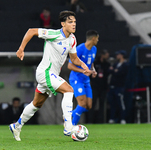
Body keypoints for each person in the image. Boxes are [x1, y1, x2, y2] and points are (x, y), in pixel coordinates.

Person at [9, 10, 91, 141]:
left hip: (51, 75)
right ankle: (68, 126)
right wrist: (21, 49)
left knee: (37, 104)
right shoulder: (54, 34)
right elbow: (31, 31)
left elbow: (74, 59)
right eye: (70, 22)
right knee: (69, 91)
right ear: (63, 24)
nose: (74, 24)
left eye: (75, 22)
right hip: (45, 72)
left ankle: (17, 125)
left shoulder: (72, 39)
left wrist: (83, 65)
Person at [68, 30, 99, 125]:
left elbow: (90, 61)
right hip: (77, 79)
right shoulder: (80, 49)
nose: (98, 40)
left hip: (86, 80)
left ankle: (69, 115)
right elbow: (70, 66)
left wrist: (93, 70)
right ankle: (71, 127)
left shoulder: (94, 49)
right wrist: (83, 71)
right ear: (93, 38)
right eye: (97, 38)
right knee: (81, 104)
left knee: (88, 106)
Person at [87, 49, 110, 123]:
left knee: (102, 104)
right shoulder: (95, 63)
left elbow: (107, 74)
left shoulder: (107, 64)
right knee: (92, 104)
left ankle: (101, 121)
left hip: (103, 87)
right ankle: (90, 120)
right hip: (95, 87)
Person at [108, 50, 129, 124]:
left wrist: (115, 71)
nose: (117, 56)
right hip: (113, 86)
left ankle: (123, 118)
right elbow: (111, 71)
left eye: (118, 55)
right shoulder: (116, 64)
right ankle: (112, 118)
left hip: (120, 87)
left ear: (122, 55)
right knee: (112, 103)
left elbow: (121, 73)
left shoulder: (125, 65)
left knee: (121, 103)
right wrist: (115, 71)